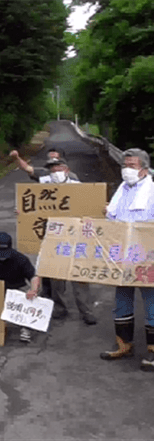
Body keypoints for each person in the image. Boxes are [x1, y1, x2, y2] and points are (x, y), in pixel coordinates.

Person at [101, 148, 154, 372]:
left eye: (131, 166)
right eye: (125, 166)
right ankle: (124, 344)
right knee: (122, 301)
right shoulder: (122, 189)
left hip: (147, 257)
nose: (126, 170)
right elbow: (113, 218)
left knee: (151, 303)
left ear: (144, 169)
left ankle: (152, 351)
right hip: (122, 257)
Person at [30, 158, 97, 325]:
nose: (54, 172)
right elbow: (33, 208)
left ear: (66, 169)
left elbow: (90, 209)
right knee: (55, 277)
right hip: (55, 236)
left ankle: (86, 310)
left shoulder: (78, 187)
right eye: (51, 169)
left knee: (79, 276)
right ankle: (59, 308)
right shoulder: (43, 188)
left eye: (57, 168)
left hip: (76, 237)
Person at [10, 147, 78, 182]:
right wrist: (16, 158)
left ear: (66, 169)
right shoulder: (44, 173)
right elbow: (26, 168)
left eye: (58, 166)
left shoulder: (72, 177)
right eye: (52, 166)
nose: (55, 169)